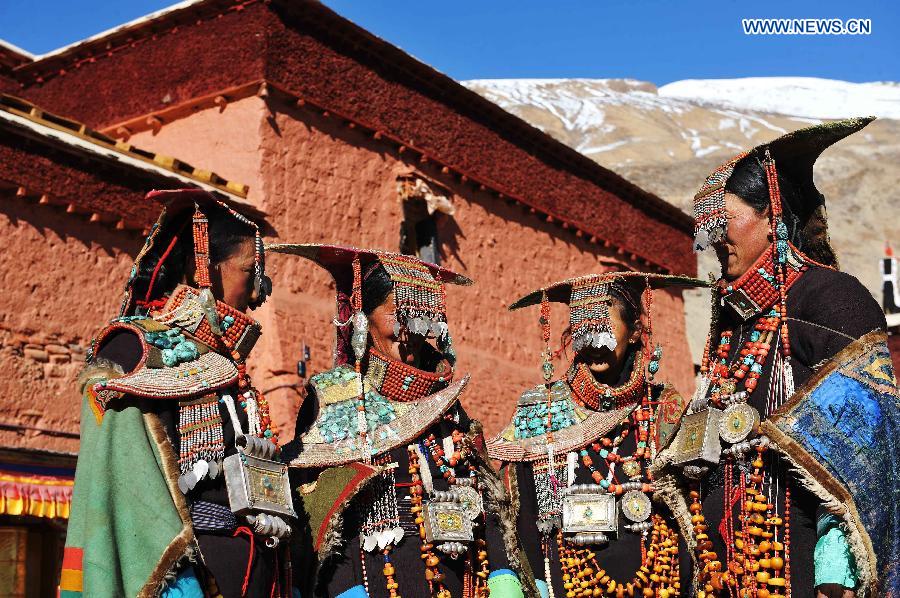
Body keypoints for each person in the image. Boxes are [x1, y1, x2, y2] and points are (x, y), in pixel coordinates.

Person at [654, 118, 899, 597]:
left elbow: (867, 454)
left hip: (801, 569)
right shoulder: (730, 323)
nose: (715, 239)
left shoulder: (830, 298)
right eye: (709, 228)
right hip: (723, 567)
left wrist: (838, 567)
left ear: (772, 218)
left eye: (726, 221)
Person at [60, 189, 292, 598]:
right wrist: (178, 580)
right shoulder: (136, 350)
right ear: (203, 266)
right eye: (248, 273)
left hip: (256, 571)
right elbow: (127, 481)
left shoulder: (228, 367)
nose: (258, 295)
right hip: (192, 578)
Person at [269, 244, 530, 598]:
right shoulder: (333, 400)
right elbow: (321, 522)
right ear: (363, 318)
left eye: (420, 319)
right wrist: (346, 591)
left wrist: (503, 577)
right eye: (396, 315)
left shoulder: (448, 407)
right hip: (381, 583)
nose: (409, 331)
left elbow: (490, 503)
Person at [489, 270, 706, 598]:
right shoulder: (540, 411)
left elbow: (689, 510)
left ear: (634, 332)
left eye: (603, 328)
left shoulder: (663, 407)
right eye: (583, 330)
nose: (593, 342)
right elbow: (521, 518)